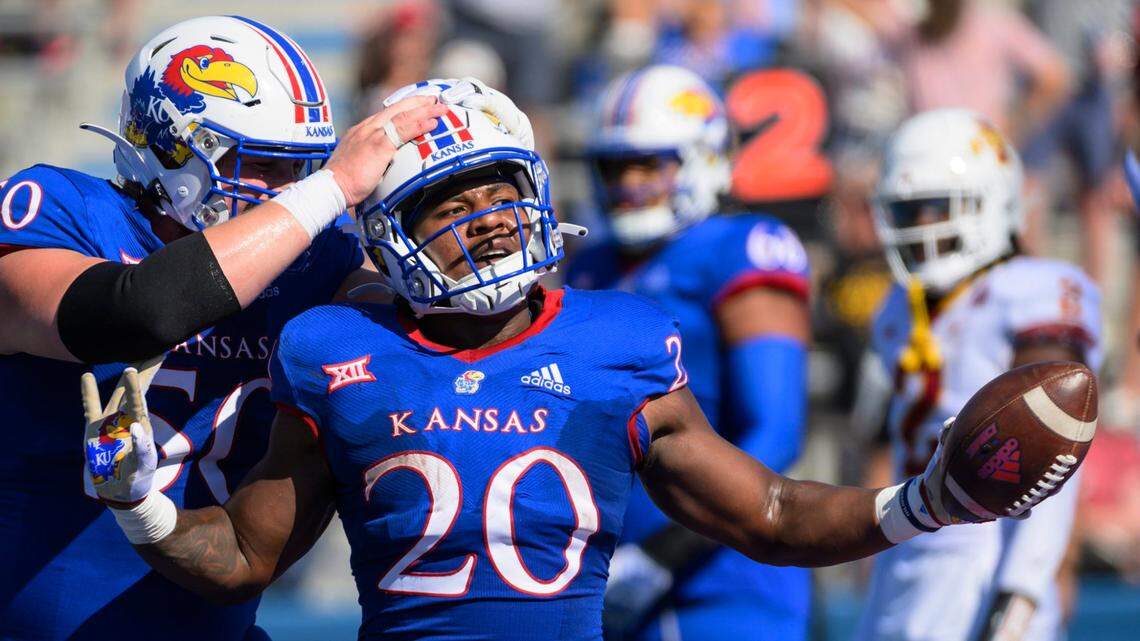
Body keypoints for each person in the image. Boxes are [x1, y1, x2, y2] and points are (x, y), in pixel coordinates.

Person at [89, 84, 1067, 641]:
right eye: (449, 205)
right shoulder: (335, 347)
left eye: (499, 192)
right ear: (388, 232)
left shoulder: (620, 339)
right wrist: (143, 504)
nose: (487, 221)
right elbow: (246, 555)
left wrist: (924, 501)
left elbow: (767, 511)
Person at [0, 15, 457, 640]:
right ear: (170, 146)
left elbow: (422, 338)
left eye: (299, 170)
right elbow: (132, 314)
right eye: (261, 164)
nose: (285, 192)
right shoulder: (61, 208)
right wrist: (331, 187)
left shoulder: (318, 262)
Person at [565, 64, 811, 641]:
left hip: (723, 581)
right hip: (607, 580)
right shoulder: (591, 265)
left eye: (648, 164)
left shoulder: (739, 247)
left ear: (703, 159)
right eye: (614, 166)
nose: (627, 183)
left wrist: (664, 556)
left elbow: (776, 431)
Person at [856, 109, 1102, 641]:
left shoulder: (1034, 288)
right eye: (908, 210)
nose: (922, 226)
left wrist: (1021, 591)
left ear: (992, 203)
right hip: (906, 546)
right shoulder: (898, 305)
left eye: (936, 207)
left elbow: (1055, 444)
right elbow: (884, 439)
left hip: (983, 554)